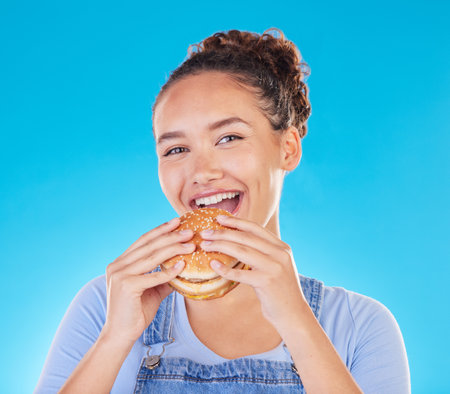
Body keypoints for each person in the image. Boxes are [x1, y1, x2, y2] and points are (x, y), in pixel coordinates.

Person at [35, 28, 410, 393]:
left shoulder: (360, 326)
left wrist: (298, 324)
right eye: (176, 149)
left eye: (228, 138)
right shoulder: (106, 306)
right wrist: (114, 338)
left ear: (288, 148)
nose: (202, 172)